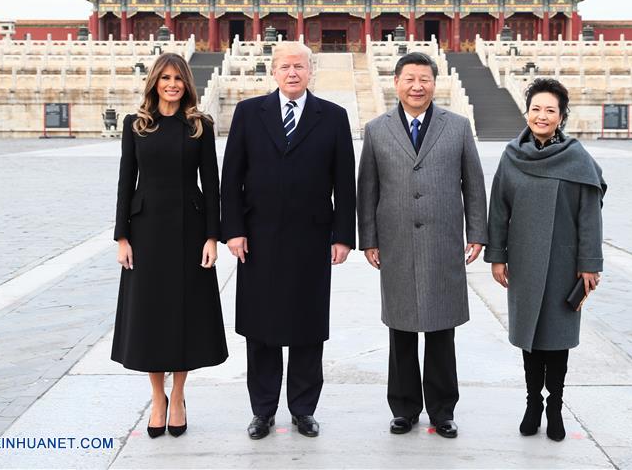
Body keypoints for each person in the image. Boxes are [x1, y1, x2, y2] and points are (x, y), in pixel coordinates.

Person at [220, 41, 356, 440]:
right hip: (258, 239)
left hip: (312, 238)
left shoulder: (331, 117)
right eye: (284, 66)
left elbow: (344, 183)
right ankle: (262, 411)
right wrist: (234, 230)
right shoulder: (249, 113)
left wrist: (342, 235)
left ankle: (303, 409)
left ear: (310, 71)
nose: (292, 73)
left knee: (307, 327)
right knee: (261, 329)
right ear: (273, 72)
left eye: (299, 66)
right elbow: (231, 178)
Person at [357, 52, 487, 439]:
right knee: (400, 329)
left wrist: (476, 232)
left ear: (435, 83)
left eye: (425, 79)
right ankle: (404, 408)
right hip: (395, 241)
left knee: (441, 328)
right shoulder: (377, 129)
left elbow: (474, 184)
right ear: (395, 82)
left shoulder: (458, 127)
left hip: (442, 240)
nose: (417, 86)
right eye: (410, 79)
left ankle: (443, 410)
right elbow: (368, 189)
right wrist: (369, 240)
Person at [112, 52, 228, 439]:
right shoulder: (136, 125)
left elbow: (211, 185)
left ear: (187, 84)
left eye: (178, 78)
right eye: (165, 78)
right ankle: (156, 397)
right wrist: (121, 237)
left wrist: (213, 236)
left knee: (184, 316)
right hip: (145, 233)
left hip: (189, 232)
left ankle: (178, 396)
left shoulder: (199, 126)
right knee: (150, 316)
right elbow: (125, 181)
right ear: (154, 83)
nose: (172, 84)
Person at [485, 77, 606, 442]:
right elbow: (498, 210)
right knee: (530, 338)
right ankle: (532, 404)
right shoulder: (511, 156)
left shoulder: (577, 158)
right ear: (527, 113)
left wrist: (590, 263)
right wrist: (497, 256)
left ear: (561, 115)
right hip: (523, 260)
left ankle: (555, 406)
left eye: (549, 110)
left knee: (557, 339)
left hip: (564, 263)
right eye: (535, 108)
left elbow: (590, 215)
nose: (541, 115)